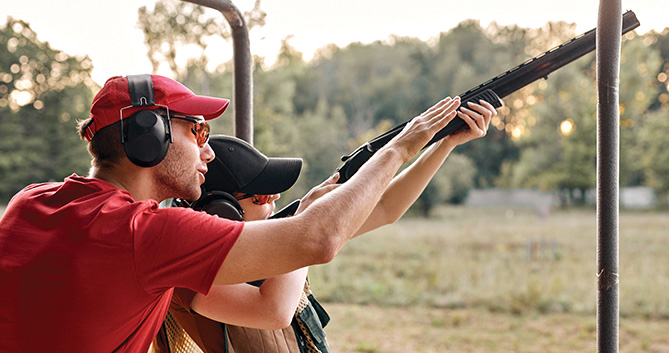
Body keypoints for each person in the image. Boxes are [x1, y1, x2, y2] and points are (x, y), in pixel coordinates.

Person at [0, 73, 491, 353]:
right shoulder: (144, 234)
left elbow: (374, 211)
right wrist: (400, 148)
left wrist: (441, 143)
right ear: (147, 135)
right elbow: (315, 243)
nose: (207, 151)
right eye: (197, 131)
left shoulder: (30, 202)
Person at [155, 87, 497, 353]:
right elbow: (273, 310)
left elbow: (385, 208)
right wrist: (307, 222)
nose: (274, 200)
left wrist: (445, 144)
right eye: (261, 195)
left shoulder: (271, 237)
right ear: (222, 211)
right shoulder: (190, 274)